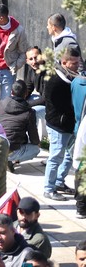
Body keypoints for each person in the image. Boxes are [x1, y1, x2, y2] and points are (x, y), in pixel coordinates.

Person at [43, 44, 81, 200]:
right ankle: (49, 188)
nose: (78, 66)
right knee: (56, 157)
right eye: (74, 63)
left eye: (78, 62)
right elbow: (59, 105)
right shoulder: (55, 80)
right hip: (58, 125)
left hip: (69, 124)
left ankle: (59, 181)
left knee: (70, 155)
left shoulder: (71, 76)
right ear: (64, 62)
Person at [0, 80, 40, 171]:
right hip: (10, 149)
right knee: (36, 149)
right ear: (26, 94)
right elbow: (34, 138)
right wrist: (37, 143)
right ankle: (9, 159)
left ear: (11, 92)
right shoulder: (29, 112)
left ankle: (5, 158)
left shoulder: (1, 104)